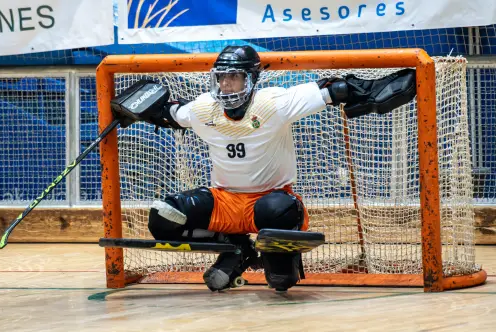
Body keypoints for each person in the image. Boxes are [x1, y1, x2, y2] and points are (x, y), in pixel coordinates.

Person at [145, 45, 416, 292]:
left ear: (251, 79)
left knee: (280, 280)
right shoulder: (203, 108)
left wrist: (394, 85)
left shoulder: (274, 103)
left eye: (234, 77)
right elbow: (171, 113)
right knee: (163, 217)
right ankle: (236, 248)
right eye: (221, 78)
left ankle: (274, 260)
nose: (226, 85)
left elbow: (335, 90)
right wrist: (134, 107)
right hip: (223, 202)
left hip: (268, 202)